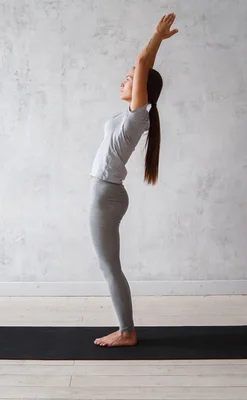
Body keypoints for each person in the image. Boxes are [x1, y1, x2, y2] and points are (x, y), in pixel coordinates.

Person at [89, 13, 179, 347]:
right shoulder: (130, 117)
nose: (124, 81)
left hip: (106, 194)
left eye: (130, 79)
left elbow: (142, 63)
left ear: (142, 90)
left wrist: (156, 38)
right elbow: (143, 68)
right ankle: (125, 328)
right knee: (109, 264)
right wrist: (151, 53)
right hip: (106, 192)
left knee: (110, 266)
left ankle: (126, 331)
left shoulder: (138, 116)